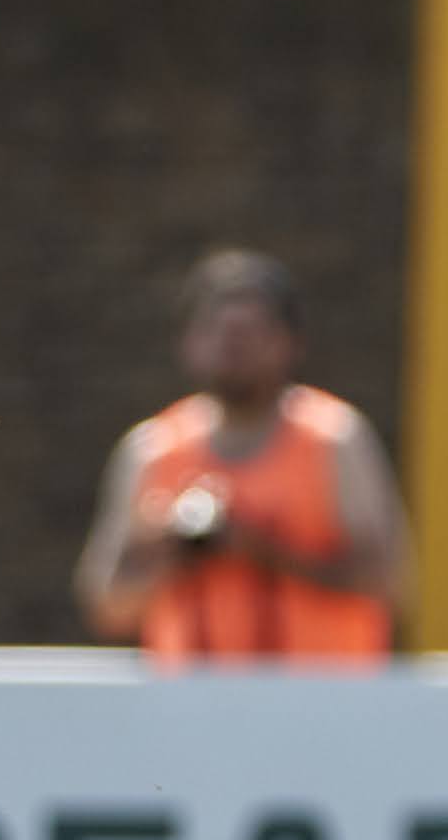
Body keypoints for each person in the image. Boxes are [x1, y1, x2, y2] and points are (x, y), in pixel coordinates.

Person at [74, 250, 412, 663]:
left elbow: (390, 582)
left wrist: (263, 548)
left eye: (251, 333)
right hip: (192, 709)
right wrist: (172, 550)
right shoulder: (154, 450)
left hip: (322, 705)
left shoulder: (334, 438)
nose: (232, 347)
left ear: (291, 344)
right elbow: (107, 605)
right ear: (188, 343)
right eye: (217, 331)